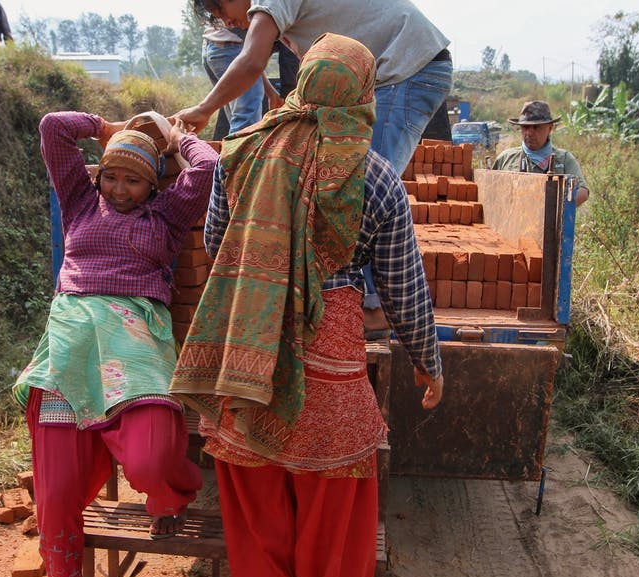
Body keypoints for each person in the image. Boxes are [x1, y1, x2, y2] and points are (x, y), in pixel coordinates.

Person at [171, 34, 444, 577]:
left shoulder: (241, 154)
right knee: (337, 522)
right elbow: (402, 287)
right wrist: (428, 360)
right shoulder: (374, 177)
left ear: (303, 81)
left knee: (253, 499)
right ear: (365, 92)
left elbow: (220, 249)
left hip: (249, 359)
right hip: (332, 375)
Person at [15, 111, 216, 577]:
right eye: (111, 175)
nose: (120, 188)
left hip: (134, 341)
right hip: (70, 344)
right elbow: (52, 128)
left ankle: (171, 495)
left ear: (153, 185)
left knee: (151, 460)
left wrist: (175, 139)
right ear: (97, 174)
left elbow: (208, 165)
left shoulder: (167, 218)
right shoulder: (79, 202)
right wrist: (107, 128)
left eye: (133, 179)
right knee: (55, 494)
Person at [178, 0, 453, 340]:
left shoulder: (270, 2)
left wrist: (204, 109)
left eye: (221, 10)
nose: (228, 22)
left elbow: (251, 61)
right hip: (395, 67)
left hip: (408, 67)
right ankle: (355, 299)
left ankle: (373, 308)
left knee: (363, 182)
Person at [492, 100, 590, 206]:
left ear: (550, 128)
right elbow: (490, 190)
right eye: (525, 127)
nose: (529, 133)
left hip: (551, 221)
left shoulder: (564, 159)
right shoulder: (506, 158)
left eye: (536, 127)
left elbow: (582, 193)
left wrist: (550, 205)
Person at [203, 25, 266, 140]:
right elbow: (252, 59)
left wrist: (271, 92)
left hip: (213, 45)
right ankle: (239, 157)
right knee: (246, 126)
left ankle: (232, 154)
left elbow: (255, 60)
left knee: (237, 122)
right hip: (231, 47)